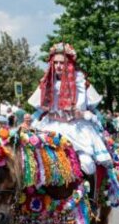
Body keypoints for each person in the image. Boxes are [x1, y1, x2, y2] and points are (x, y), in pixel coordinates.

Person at [27, 42, 110, 176]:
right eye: (55, 63)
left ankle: (89, 195)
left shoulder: (81, 82)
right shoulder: (46, 82)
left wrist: (81, 113)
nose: (58, 66)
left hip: (77, 128)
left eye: (62, 63)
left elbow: (92, 109)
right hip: (51, 127)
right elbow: (41, 110)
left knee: (87, 164)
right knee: (36, 162)